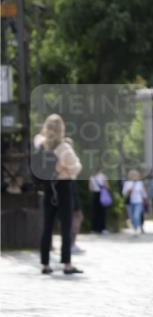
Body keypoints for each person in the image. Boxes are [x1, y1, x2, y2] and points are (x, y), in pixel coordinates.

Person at [33, 114, 83, 275]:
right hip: (63, 188)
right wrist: (65, 168)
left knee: (47, 227)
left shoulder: (40, 144)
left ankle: (45, 264)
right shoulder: (65, 149)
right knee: (66, 227)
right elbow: (76, 168)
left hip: (48, 188)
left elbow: (37, 138)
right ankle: (67, 264)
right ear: (62, 129)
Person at [122, 169, 148, 236]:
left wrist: (145, 199)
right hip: (130, 202)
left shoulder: (140, 183)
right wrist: (128, 191)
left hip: (138, 201)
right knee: (131, 216)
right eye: (133, 175)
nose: (134, 176)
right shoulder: (127, 183)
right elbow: (124, 193)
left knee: (136, 215)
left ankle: (136, 229)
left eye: (136, 175)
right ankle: (134, 227)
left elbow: (143, 193)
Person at [88, 168, 109, 235]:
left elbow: (90, 188)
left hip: (95, 195)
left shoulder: (91, 177)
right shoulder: (103, 176)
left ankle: (93, 229)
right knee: (102, 212)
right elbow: (107, 186)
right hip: (102, 194)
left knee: (94, 212)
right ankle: (102, 229)